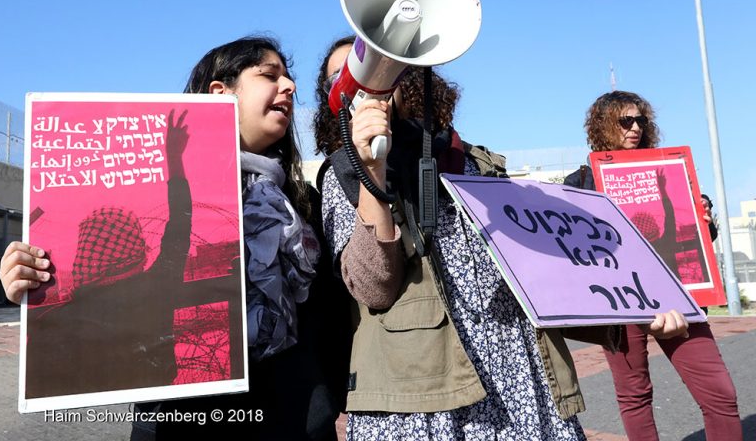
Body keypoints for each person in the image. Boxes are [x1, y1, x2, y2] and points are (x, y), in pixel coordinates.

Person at [314, 39, 689, 440]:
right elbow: (374, 288)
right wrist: (371, 170)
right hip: (429, 400)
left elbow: (544, 267)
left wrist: (638, 305)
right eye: (344, 75)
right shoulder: (344, 174)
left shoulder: (475, 161)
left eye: (383, 65)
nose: (369, 81)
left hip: (525, 381)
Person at [1, 36, 351, 440]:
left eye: (290, 79)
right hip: (182, 420)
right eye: (269, 75)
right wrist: (32, 281)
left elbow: (334, 314)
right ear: (221, 93)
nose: (289, 87)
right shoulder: (152, 197)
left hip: (295, 417)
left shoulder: (303, 202)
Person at [564, 90, 742, 441]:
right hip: (621, 302)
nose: (635, 128)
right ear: (603, 124)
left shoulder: (668, 171)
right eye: (625, 120)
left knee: (721, 393)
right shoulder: (581, 180)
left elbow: (694, 237)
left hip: (676, 296)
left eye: (641, 121)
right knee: (635, 395)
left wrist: (704, 219)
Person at [4, 108, 191, 398]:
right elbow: (180, 223)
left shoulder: (57, 321)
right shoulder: (158, 286)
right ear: (138, 246)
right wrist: (174, 159)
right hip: (158, 403)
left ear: (85, 249)